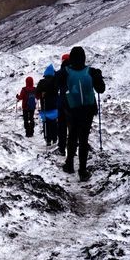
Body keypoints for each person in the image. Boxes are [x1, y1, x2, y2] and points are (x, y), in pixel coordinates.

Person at [59, 46, 105, 180]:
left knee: (72, 135)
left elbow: (58, 86)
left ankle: (69, 164)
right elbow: (101, 89)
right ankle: (83, 171)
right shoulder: (90, 71)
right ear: (84, 58)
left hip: (72, 109)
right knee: (83, 139)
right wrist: (98, 76)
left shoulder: (65, 72)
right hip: (88, 109)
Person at [35, 64, 59, 146]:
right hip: (55, 106)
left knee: (47, 124)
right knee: (54, 123)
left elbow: (37, 93)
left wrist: (42, 94)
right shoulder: (56, 81)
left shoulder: (42, 82)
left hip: (45, 106)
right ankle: (55, 138)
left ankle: (48, 139)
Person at [54, 53, 70, 155]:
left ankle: (62, 148)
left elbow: (55, 87)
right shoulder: (75, 72)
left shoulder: (59, 73)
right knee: (73, 126)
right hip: (74, 103)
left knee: (62, 126)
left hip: (62, 102)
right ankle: (73, 148)